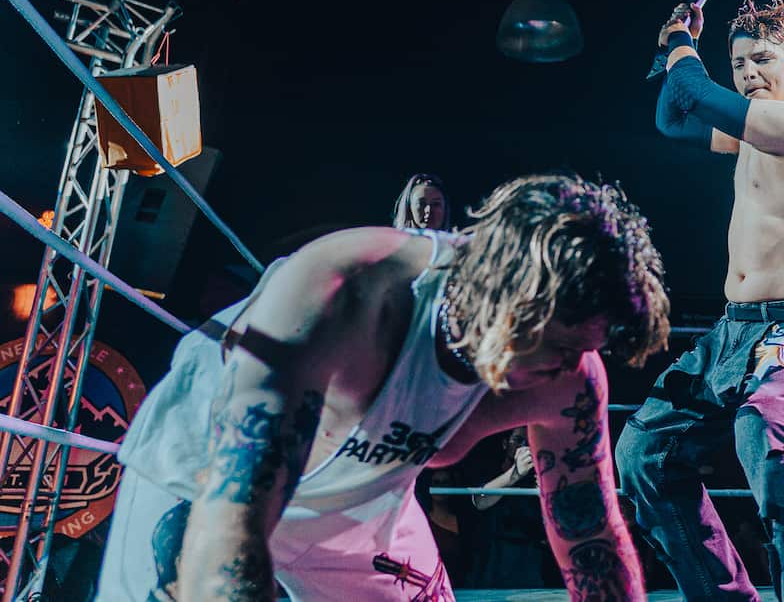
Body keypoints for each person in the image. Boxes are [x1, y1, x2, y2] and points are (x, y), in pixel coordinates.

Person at [98, 173, 670, 601]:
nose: (575, 365)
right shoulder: (343, 293)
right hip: (210, 478)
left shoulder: (568, 377)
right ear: (513, 302)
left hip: (362, 499)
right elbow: (235, 514)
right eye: (563, 345)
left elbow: (590, 531)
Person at [617, 0, 784, 602]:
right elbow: (674, 118)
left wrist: (679, 42)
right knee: (645, 452)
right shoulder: (751, 134)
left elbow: (692, 91)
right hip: (733, 331)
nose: (748, 73)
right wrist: (681, 43)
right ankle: (723, 596)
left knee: (767, 430)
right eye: (739, 62)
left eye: (762, 59)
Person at [467, 427, 551, 588]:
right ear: (505, 444)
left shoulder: (540, 476)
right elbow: (479, 501)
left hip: (530, 566)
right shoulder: (489, 468)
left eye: (530, 442)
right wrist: (515, 474)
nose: (524, 447)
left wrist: (546, 496)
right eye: (519, 440)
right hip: (491, 563)